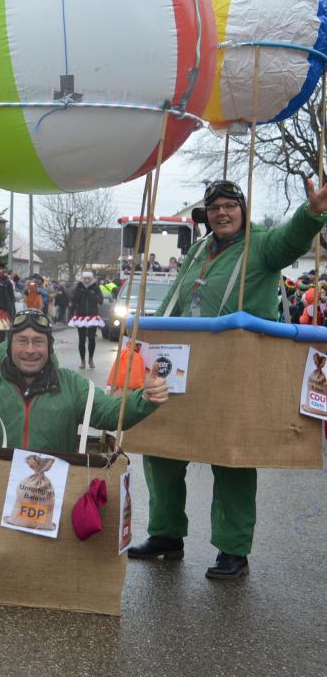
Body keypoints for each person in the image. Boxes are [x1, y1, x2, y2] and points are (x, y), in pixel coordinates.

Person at [131, 177, 327, 580]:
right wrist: (150, 333)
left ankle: (233, 550)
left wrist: (312, 213)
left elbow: (292, 240)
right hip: (188, 361)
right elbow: (178, 297)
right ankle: (166, 534)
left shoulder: (263, 245)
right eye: (214, 208)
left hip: (237, 368)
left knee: (233, 457)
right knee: (161, 446)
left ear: (243, 210)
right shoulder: (199, 249)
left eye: (229, 206)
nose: (222, 213)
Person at [0, 309, 168, 451]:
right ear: (10, 345)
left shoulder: (72, 385)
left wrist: (144, 398)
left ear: (49, 346)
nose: (30, 350)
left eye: (38, 342)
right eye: (22, 341)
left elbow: (110, 414)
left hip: (53, 499)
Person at [69, 270, 104, 369]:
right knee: (82, 340)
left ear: (92, 279)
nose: (87, 280)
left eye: (88, 278)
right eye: (85, 278)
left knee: (92, 338)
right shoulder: (79, 287)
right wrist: (72, 314)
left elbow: (100, 301)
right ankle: (82, 361)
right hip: (81, 316)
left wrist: (91, 294)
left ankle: (91, 359)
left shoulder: (96, 287)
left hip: (92, 316)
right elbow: (74, 301)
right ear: (82, 279)